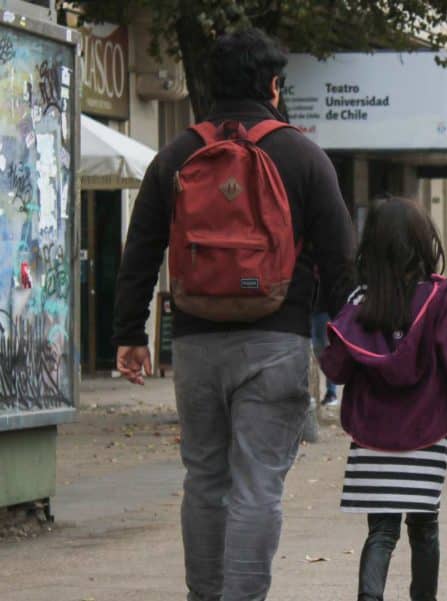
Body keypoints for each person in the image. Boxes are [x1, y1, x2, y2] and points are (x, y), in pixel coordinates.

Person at [112, 28, 356, 601]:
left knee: (204, 480)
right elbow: (341, 256)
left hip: (195, 343)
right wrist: (339, 335)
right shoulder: (303, 155)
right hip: (276, 341)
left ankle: (206, 594)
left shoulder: (177, 154)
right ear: (273, 85)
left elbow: (141, 245)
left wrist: (130, 333)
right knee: (258, 488)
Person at [318, 197, 447, 601]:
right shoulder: (440, 298)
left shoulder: (360, 301)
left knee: (381, 530)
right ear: (423, 242)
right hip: (425, 433)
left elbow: (336, 369)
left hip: (371, 436)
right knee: (424, 527)